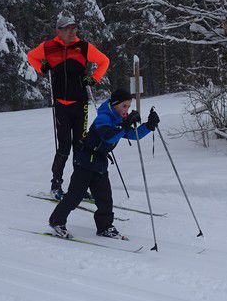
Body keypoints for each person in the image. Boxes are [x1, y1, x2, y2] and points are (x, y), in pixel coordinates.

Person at [49, 89, 160, 239]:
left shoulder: (121, 118)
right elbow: (108, 136)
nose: (126, 109)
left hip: (100, 163)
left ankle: (105, 227)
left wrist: (149, 125)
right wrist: (125, 124)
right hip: (85, 161)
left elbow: (133, 135)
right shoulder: (104, 117)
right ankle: (56, 222)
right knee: (74, 196)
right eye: (124, 106)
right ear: (115, 105)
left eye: (128, 106)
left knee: (105, 199)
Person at [27, 12, 110, 199]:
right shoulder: (48, 47)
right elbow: (31, 56)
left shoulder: (83, 47)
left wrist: (94, 78)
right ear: (59, 31)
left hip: (80, 104)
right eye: (67, 29)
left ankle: (78, 187)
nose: (72, 32)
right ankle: (56, 184)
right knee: (64, 146)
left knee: (80, 146)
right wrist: (42, 68)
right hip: (60, 106)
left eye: (74, 28)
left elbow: (104, 61)